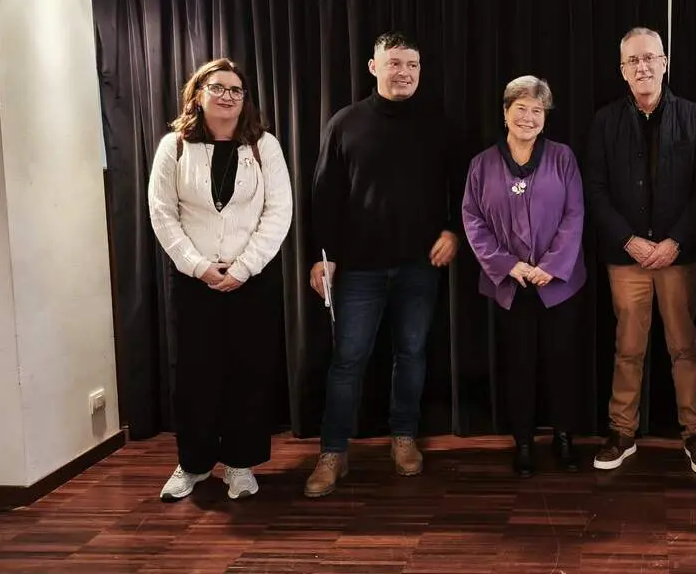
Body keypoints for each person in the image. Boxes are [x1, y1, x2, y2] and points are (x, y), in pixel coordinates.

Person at [304, 32, 462, 498]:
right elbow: (324, 197)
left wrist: (453, 231)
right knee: (348, 361)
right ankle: (333, 452)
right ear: (374, 67)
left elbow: (465, 187)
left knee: (411, 355)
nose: (404, 73)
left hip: (419, 266)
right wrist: (324, 257)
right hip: (358, 269)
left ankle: (403, 437)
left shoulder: (439, 123)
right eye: (394, 63)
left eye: (412, 65)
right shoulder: (345, 124)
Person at [147, 57, 293, 502]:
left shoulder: (263, 145)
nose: (227, 95)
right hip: (195, 282)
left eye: (236, 89)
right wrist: (198, 266)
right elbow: (162, 213)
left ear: (244, 99)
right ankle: (192, 464)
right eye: (218, 87)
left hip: (253, 279)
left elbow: (278, 211)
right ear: (198, 93)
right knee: (195, 375)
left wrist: (244, 267)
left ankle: (240, 464)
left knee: (248, 372)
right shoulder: (174, 147)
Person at [586, 27, 696, 474]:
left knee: (685, 347)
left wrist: (675, 241)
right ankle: (622, 432)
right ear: (622, 71)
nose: (642, 67)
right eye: (632, 61)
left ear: (664, 62)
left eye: (649, 58)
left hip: (677, 256)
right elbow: (596, 190)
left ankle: (695, 433)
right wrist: (629, 239)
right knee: (628, 347)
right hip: (625, 257)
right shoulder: (605, 121)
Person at [461, 76, 587, 477]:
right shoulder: (481, 164)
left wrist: (550, 266)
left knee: (562, 363)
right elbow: (472, 220)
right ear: (505, 112)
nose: (529, 117)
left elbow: (575, 214)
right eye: (521, 108)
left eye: (537, 110)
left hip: (559, 283)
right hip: (509, 285)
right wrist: (508, 265)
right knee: (519, 365)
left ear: (545, 117)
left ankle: (565, 437)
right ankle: (524, 442)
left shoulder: (563, 157)